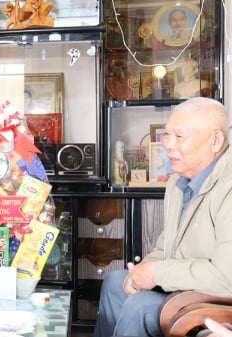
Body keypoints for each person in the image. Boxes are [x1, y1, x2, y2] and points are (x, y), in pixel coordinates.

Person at [93, 97, 232, 337]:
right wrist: (140, 273)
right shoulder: (178, 183)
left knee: (140, 307)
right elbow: (166, 245)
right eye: (166, 135)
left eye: (179, 137)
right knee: (116, 283)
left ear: (216, 140)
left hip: (214, 299)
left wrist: (156, 274)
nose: (168, 144)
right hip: (184, 287)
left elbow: (226, 279)